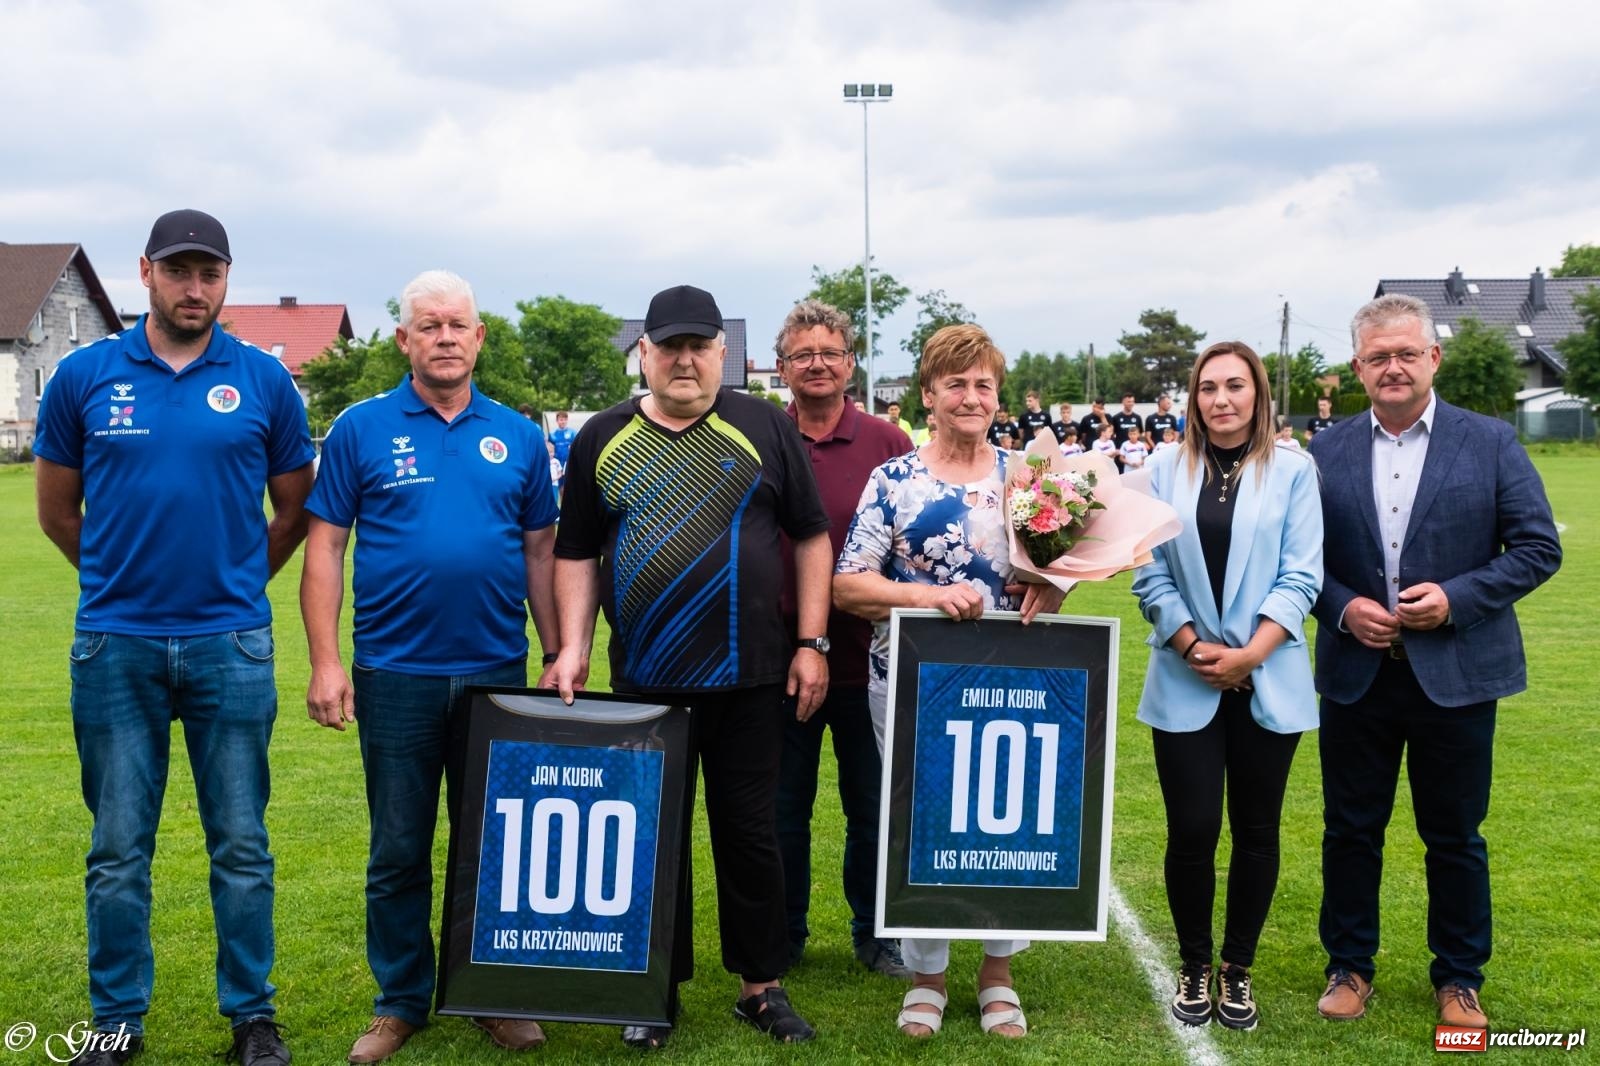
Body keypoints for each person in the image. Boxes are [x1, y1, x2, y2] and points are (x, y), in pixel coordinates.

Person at [33, 209, 313, 1066]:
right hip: (116, 645)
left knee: (241, 843)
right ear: (147, 271)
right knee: (118, 847)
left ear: (226, 280)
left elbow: (295, 506)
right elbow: (55, 511)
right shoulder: (83, 375)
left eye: (212, 274)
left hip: (231, 645)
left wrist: (233, 581)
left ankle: (252, 1021)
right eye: (181, 271)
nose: (197, 289)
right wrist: (121, 581)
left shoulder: (265, 382)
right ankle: (116, 1022)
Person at [548, 284, 830, 1049]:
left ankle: (760, 988)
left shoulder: (765, 425)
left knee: (751, 835)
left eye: (698, 346)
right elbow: (573, 550)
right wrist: (571, 648)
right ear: (644, 352)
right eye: (668, 346)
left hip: (753, 677)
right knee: (651, 839)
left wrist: (812, 643)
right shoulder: (600, 437)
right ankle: (652, 992)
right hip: (646, 679)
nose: (683, 360)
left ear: (721, 354)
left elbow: (810, 537)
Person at [300, 270, 560, 1063]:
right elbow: (326, 548)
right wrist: (325, 661)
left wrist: (557, 653)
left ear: (480, 338)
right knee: (399, 848)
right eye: (430, 325)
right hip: (394, 672)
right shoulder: (361, 428)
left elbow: (540, 549)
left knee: (494, 846)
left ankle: (492, 993)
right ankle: (400, 1001)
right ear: (404, 339)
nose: (446, 337)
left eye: (459, 324)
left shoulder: (517, 434)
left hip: (496, 671)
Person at [1309, 294, 1561, 1029]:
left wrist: (1454, 599)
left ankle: (1459, 978)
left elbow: (1539, 548)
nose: (1393, 367)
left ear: (1433, 359)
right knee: (1350, 829)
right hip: (1358, 672)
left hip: (1457, 672)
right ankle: (1349, 966)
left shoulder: (1489, 442)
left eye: (1406, 354)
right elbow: (1299, 562)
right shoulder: (1323, 451)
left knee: (1454, 834)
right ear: (1358, 367)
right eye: (1378, 356)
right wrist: (1342, 608)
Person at [834, 323, 1065, 1041]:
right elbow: (850, 586)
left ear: (997, 397)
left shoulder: (1026, 479)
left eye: (983, 385)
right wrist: (928, 597)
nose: (970, 397)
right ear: (928, 395)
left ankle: (999, 973)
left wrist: (1056, 587)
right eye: (955, 384)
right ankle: (927, 975)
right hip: (907, 682)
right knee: (922, 822)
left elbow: (1056, 567)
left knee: (1005, 817)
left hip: (1012, 687)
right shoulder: (895, 480)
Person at [1131, 341, 1323, 1032]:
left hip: (1267, 675)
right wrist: (1192, 644)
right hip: (1186, 674)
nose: (1221, 399)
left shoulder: (1296, 471)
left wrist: (1251, 654)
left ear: (1257, 394)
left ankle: (1237, 970)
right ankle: (1193, 961)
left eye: (1235, 386)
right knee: (1192, 829)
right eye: (1208, 387)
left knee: (1256, 830)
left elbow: (1303, 575)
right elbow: (1147, 573)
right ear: (1193, 397)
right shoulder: (1160, 469)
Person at [771, 300, 914, 979]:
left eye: (829, 351)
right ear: (782, 367)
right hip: (783, 659)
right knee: (781, 808)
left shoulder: (888, 442)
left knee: (872, 808)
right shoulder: (764, 435)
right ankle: (784, 934)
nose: (817, 363)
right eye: (803, 354)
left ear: (851, 362)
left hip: (872, 659)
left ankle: (877, 933)